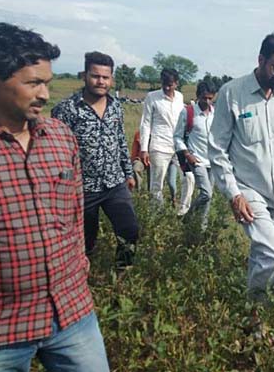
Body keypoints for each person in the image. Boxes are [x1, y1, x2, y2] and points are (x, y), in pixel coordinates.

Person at [0, 22, 110, 372]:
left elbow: (76, 215)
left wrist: (78, 266)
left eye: (47, 82)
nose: (45, 94)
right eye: (33, 83)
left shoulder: (61, 138)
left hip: (72, 314)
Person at [208, 30, 274, 307]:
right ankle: (261, 303)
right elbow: (217, 149)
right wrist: (233, 194)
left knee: (263, 254)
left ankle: (255, 317)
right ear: (261, 59)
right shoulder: (232, 93)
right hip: (248, 190)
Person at [52, 51, 140, 270]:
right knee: (85, 241)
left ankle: (123, 274)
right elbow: (57, 150)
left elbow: (121, 140)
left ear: (111, 79)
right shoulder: (66, 109)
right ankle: (83, 278)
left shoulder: (115, 106)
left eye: (105, 77)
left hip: (114, 183)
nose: (101, 81)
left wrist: (128, 174)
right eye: (95, 76)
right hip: (82, 187)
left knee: (129, 230)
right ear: (84, 75)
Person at [139, 68, 194, 213]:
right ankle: (156, 214)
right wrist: (143, 149)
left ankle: (183, 211)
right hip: (159, 145)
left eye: (170, 84)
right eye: (164, 84)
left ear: (176, 83)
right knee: (157, 183)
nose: (166, 87)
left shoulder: (180, 97)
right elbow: (145, 123)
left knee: (188, 177)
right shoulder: (152, 97)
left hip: (178, 146)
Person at [174, 80, 217, 230]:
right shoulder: (188, 112)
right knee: (207, 193)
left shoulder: (215, 113)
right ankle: (188, 217)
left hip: (212, 160)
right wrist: (187, 154)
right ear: (198, 96)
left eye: (210, 98)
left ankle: (201, 228)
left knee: (208, 198)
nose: (207, 101)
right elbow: (177, 136)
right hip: (196, 159)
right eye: (204, 98)